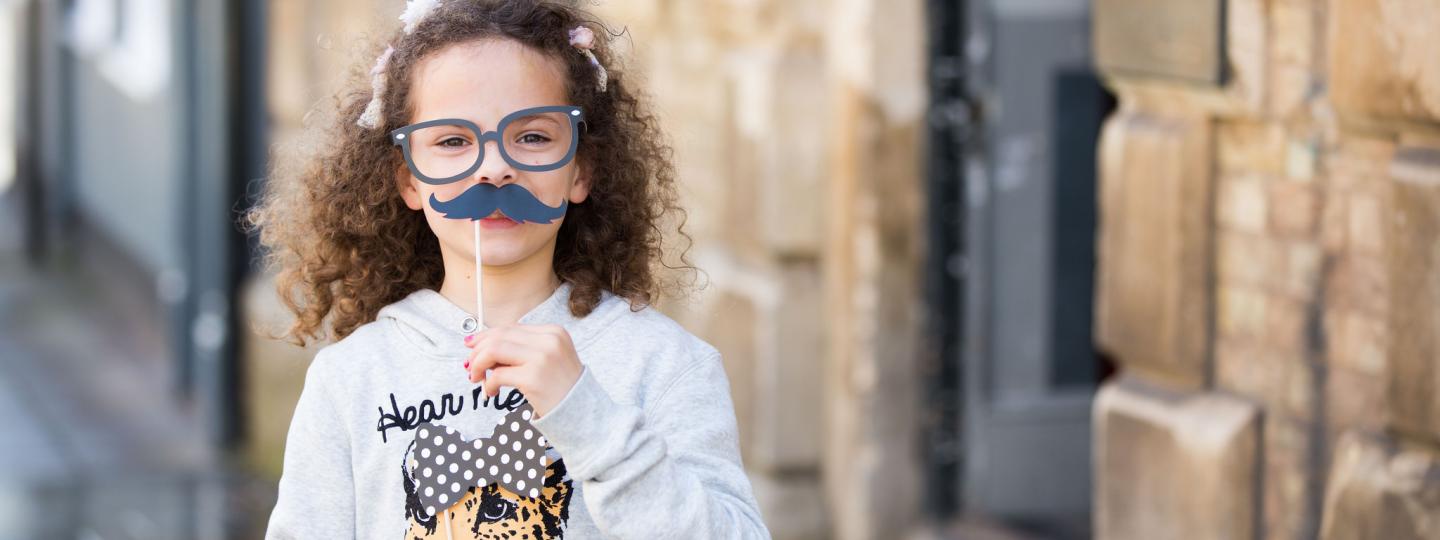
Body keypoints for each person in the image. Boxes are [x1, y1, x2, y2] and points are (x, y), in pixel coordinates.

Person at [249, 1, 769, 538]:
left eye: (533, 137)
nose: (495, 169)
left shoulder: (665, 365)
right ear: (409, 181)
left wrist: (587, 418)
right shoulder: (350, 379)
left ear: (580, 171)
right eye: (453, 141)